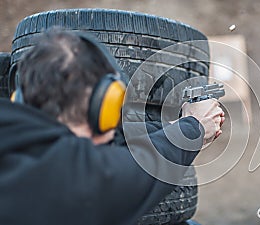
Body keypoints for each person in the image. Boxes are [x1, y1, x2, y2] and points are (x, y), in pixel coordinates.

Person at [0, 29, 224, 224]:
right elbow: (115, 174)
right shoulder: (59, 179)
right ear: (103, 105)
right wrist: (194, 127)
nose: (112, 131)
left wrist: (174, 126)